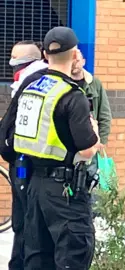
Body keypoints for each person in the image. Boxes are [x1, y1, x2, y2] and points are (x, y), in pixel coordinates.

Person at [12, 26, 100, 269]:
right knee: (73, 255)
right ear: (74, 55)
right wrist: (94, 130)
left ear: (45, 55)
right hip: (65, 192)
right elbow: (88, 148)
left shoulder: (29, 90)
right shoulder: (72, 95)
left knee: (37, 258)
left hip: (34, 186)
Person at [0, 40, 49, 270]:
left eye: (16, 63)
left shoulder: (35, 85)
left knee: (28, 223)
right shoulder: (25, 84)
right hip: (21, 164)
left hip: (27, 165)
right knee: (21, 222)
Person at [71, 50, 112, 216]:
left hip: (90, 146)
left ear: (83, 61)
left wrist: (100, 141)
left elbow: (104, 114)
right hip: (70, 148)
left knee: (90, 187)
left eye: (77, 59)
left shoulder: (94, 84)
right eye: (71, 60)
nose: (75, 63)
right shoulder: (63, 83)